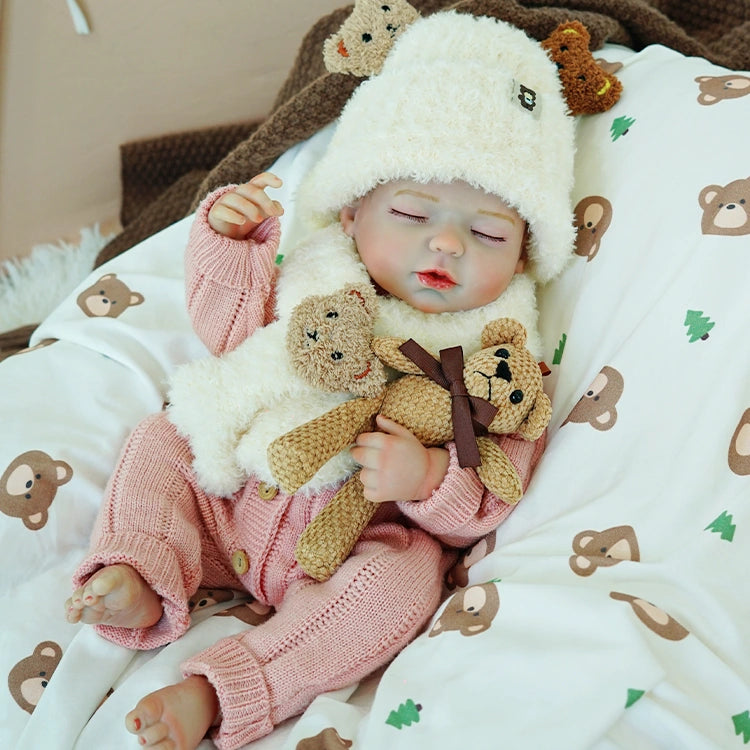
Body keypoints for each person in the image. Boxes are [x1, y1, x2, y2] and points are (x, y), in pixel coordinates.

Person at [64, 11, 576, 750]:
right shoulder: (314, 276)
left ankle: (224, 687)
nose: (446, 241)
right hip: (229, 493)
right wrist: (232, 245)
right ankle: (142, 568)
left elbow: (496, 491)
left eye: (489, 232)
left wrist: (430, 475)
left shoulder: (502, 360)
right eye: (411, 212)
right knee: (162, 440)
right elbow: (228, 331)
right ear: (354, 208)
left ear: (525, 254)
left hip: (351, 550)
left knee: (402, 588)